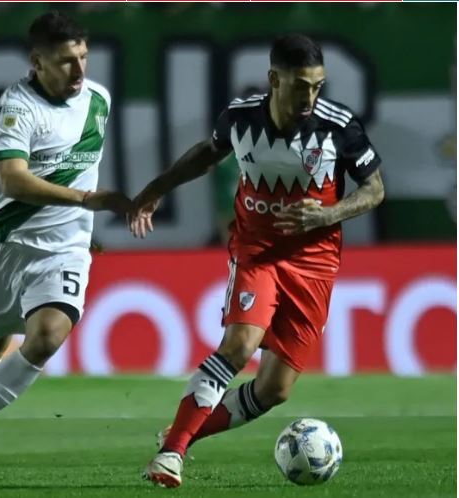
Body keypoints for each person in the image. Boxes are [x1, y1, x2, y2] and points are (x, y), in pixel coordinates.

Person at [130, 34, 385, 488]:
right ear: (274, 79)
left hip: (314, 264)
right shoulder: (241, 117)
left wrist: (327, 214)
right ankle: (171, 454)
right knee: (239, 345)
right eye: (300, 85)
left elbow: (375, 189)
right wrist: (155, 190)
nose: (309, 96)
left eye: (317, 86)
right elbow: (206, 154)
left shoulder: (339, 125)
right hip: (257, 251)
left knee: (274, 389)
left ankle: (181, 432)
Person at [0, 11, 132, 485]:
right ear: (37, 62)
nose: (79, 70)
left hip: (64, 250)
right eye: (65, 61)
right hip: (5, 245)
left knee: (47, 337)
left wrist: (80, 225)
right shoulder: (15, 110)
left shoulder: (97, 100)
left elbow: (78, 168)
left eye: (83, 57)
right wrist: (85, 201)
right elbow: (13, 181)